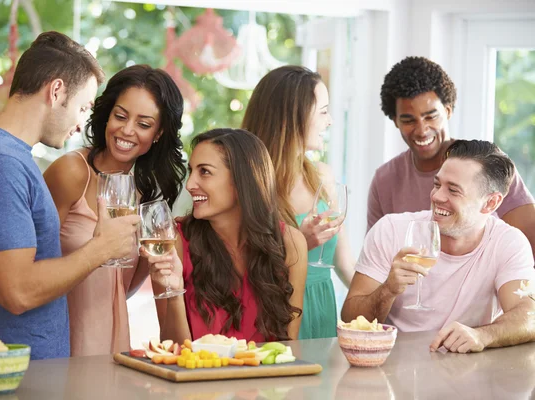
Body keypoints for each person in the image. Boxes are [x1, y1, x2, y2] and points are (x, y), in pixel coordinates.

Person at [0, 31, 139, 365]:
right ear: (56, 90)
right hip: (7, 382)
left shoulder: (12, 157)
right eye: (82, 108)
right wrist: (101, 249)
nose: (81, 124)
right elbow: (17, 292)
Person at [43, 65, 186, 356]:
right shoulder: (72, 172)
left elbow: (122, 288)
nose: (127, 130)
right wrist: (97, 250)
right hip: (60, 342)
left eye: (144, 124)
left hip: (111, 347)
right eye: (120, 116)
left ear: (158, 133)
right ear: (107, 114)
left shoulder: (146, 198)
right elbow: (31, 269)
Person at [343, 140, 535, 353]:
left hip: (468, 373)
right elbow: (350, 319)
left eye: (453, 190)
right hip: (395, 372)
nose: (436, 196)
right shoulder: (390, 230)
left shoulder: (508, 243)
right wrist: (388, 289)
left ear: (490, 203)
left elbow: (529, 316)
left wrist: (483, 335)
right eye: (437, 184)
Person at [144, 128, 308, 343]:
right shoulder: (175, 243)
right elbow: (173, 350)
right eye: (191, 170)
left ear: (242, 180)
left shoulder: (291, 243)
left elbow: (287, 347)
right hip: (198, 376)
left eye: (204, 172)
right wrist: (174, 292)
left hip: (265, 376)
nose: (190, 184)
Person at [368, 56, 535, 261]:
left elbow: (530, 245)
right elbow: (377, 259)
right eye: (409, 120)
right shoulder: (385, 180)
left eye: (431, 116)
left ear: (447, 111)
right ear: (395, 121)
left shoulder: (488, 165)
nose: (422, 130)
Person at [241, 65, 355, 339]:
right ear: (293, 116)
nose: (329, 122)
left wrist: (388, 303)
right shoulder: (245, 182)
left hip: (322, 315)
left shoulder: (323, 178)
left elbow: (345, 266)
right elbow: (237, 270)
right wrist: (298, 245)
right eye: (324, 111)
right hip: (270, 316)